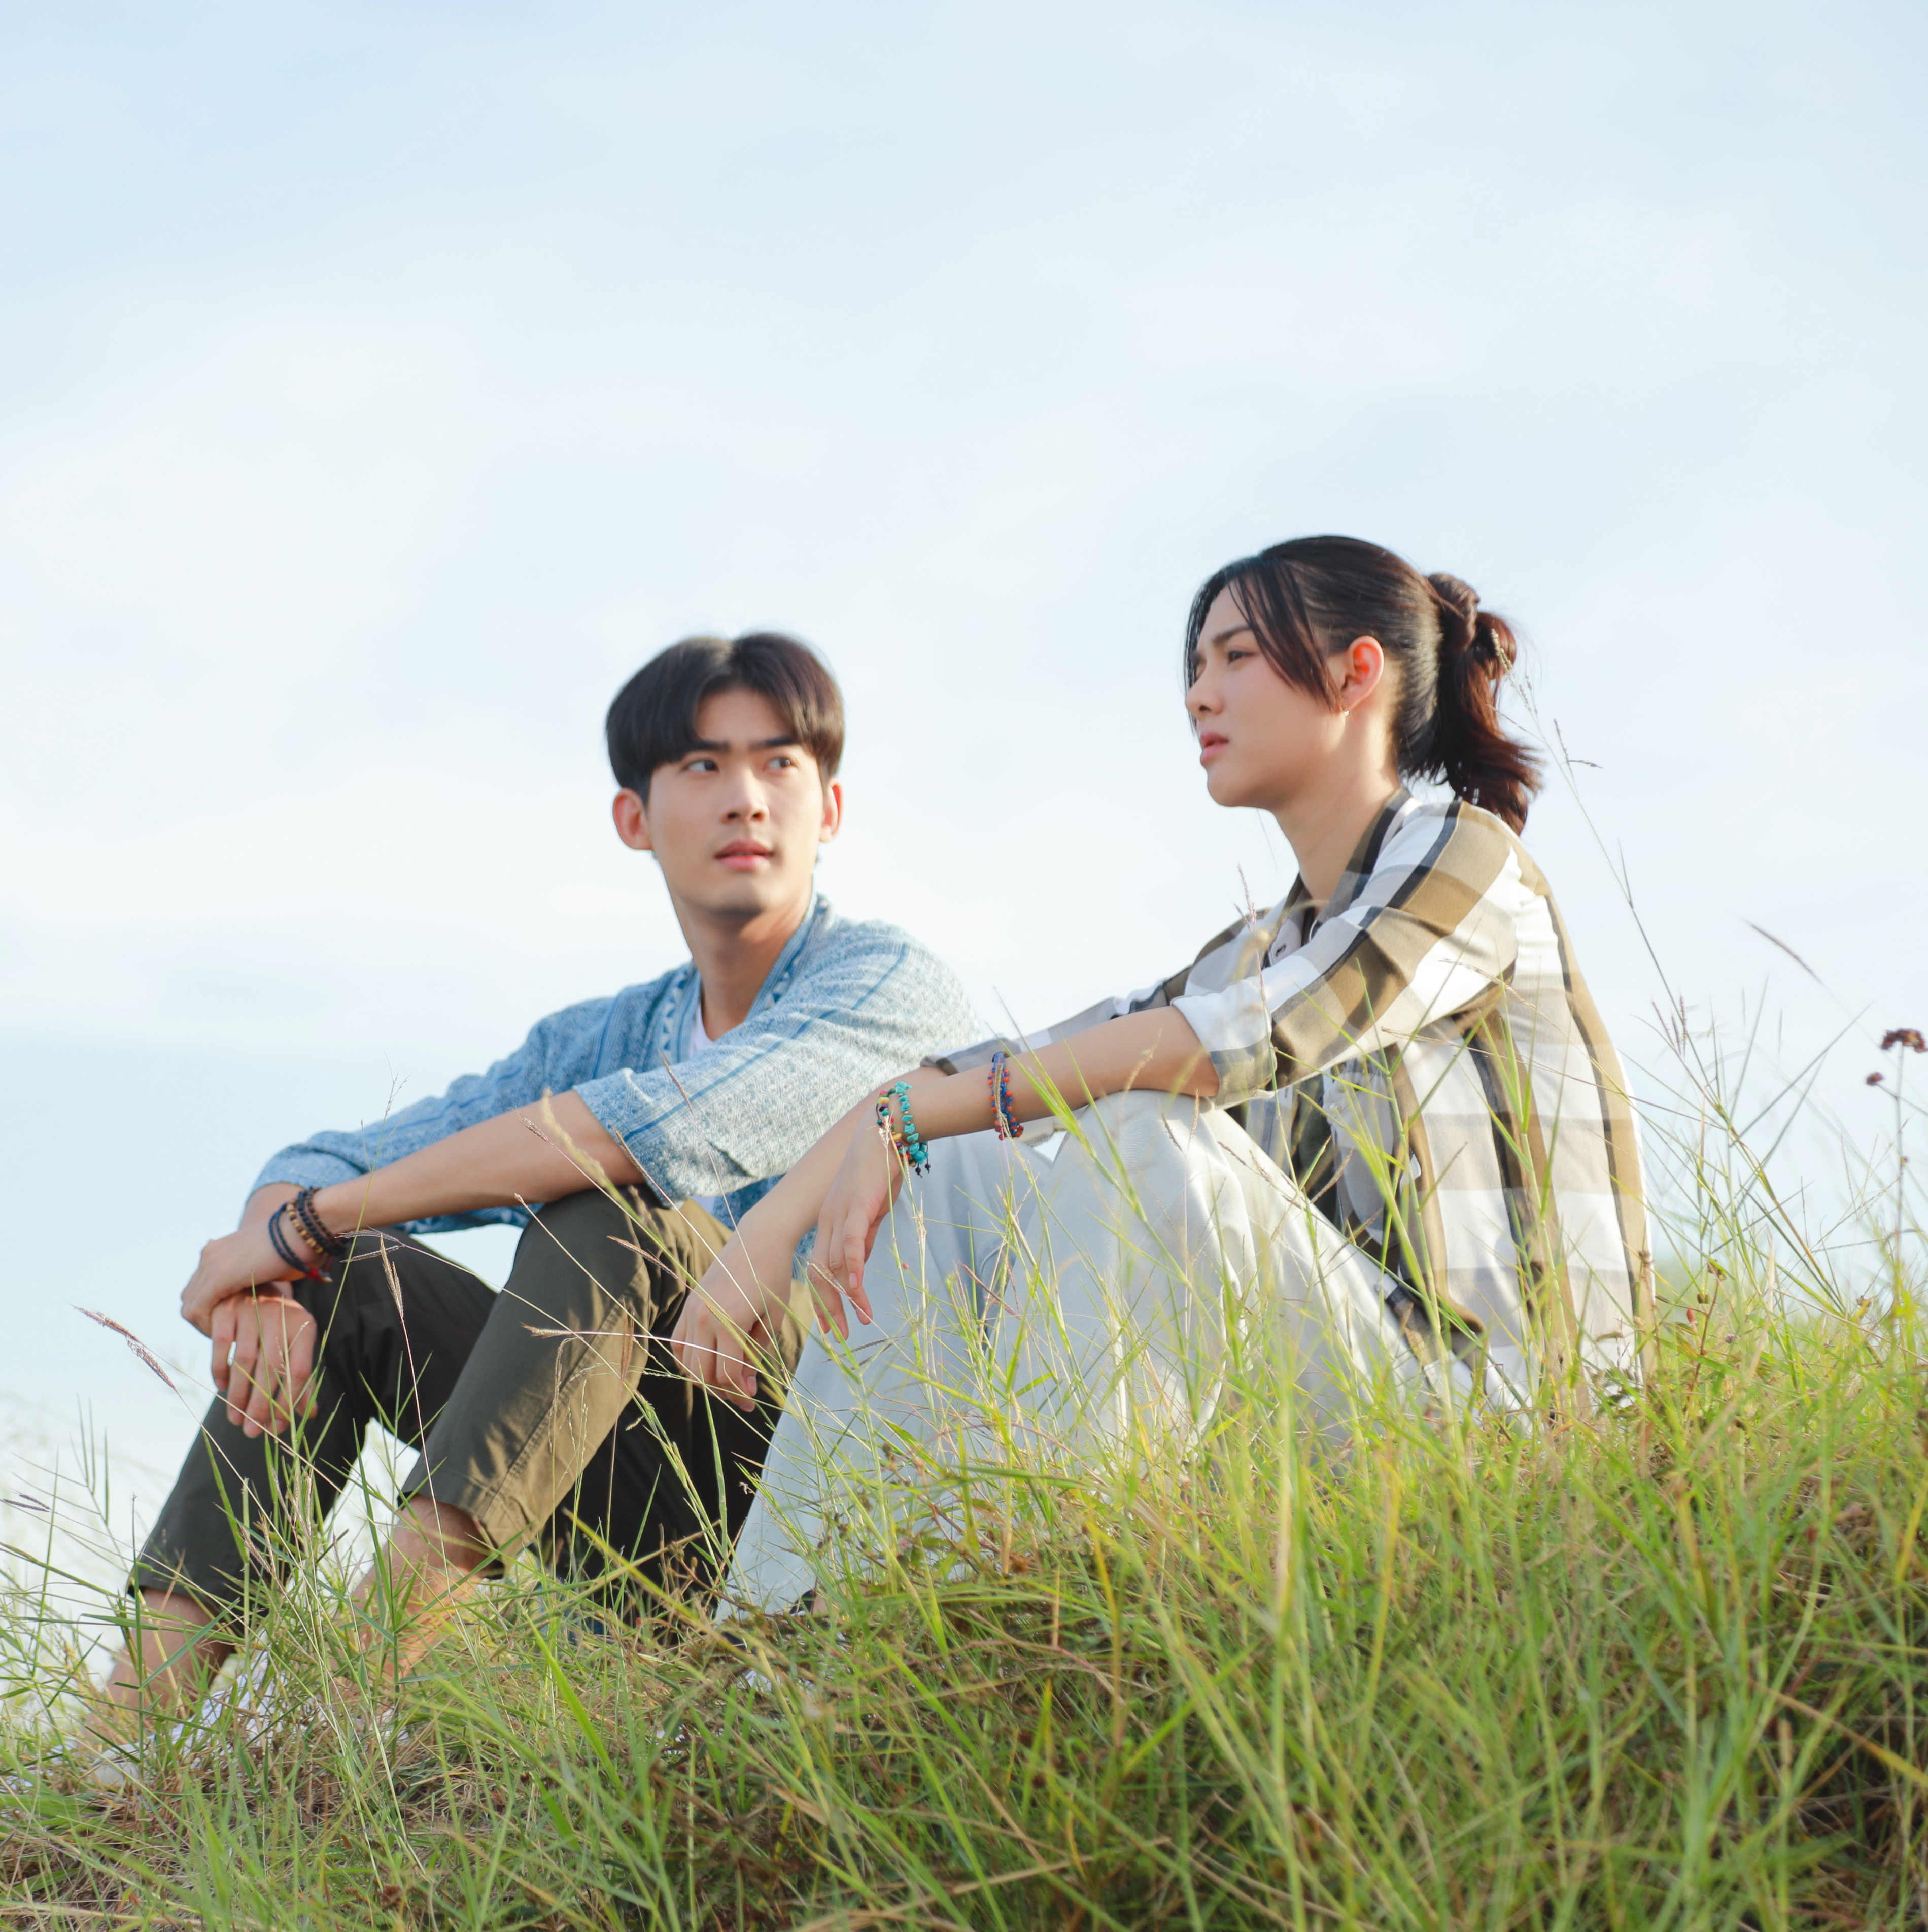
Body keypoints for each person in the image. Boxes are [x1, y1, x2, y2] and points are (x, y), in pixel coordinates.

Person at [673, 538, 1655, 1609]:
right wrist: (779, 1224)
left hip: (1510, 1435)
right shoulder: (1257, 947)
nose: (1199, 696)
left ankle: (1049, 1587)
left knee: (1135, 1122)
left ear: (1356, 672)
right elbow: (994, 1068)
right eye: (1195, 667)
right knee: (955, 1165)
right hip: (1347, 1419)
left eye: (1235, 657)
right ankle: (789, 1633)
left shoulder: (1465, 857)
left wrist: (921, 1108)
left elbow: (1248, 1037)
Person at [96, 631, 976, 1743]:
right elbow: (335, 1157)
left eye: (780, 764)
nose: (746, 798)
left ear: (830, 808)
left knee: (617, 1209)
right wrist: (278, 1266)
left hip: (827, 1487)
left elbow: (653, 1132)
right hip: (644, 1499)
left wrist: (304, 1223)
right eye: (703, 765)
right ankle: (117, 1750)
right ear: (634, 817)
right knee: (341, 1280)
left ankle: (354, 1694)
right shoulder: (604, 1034)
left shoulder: (886, 985)